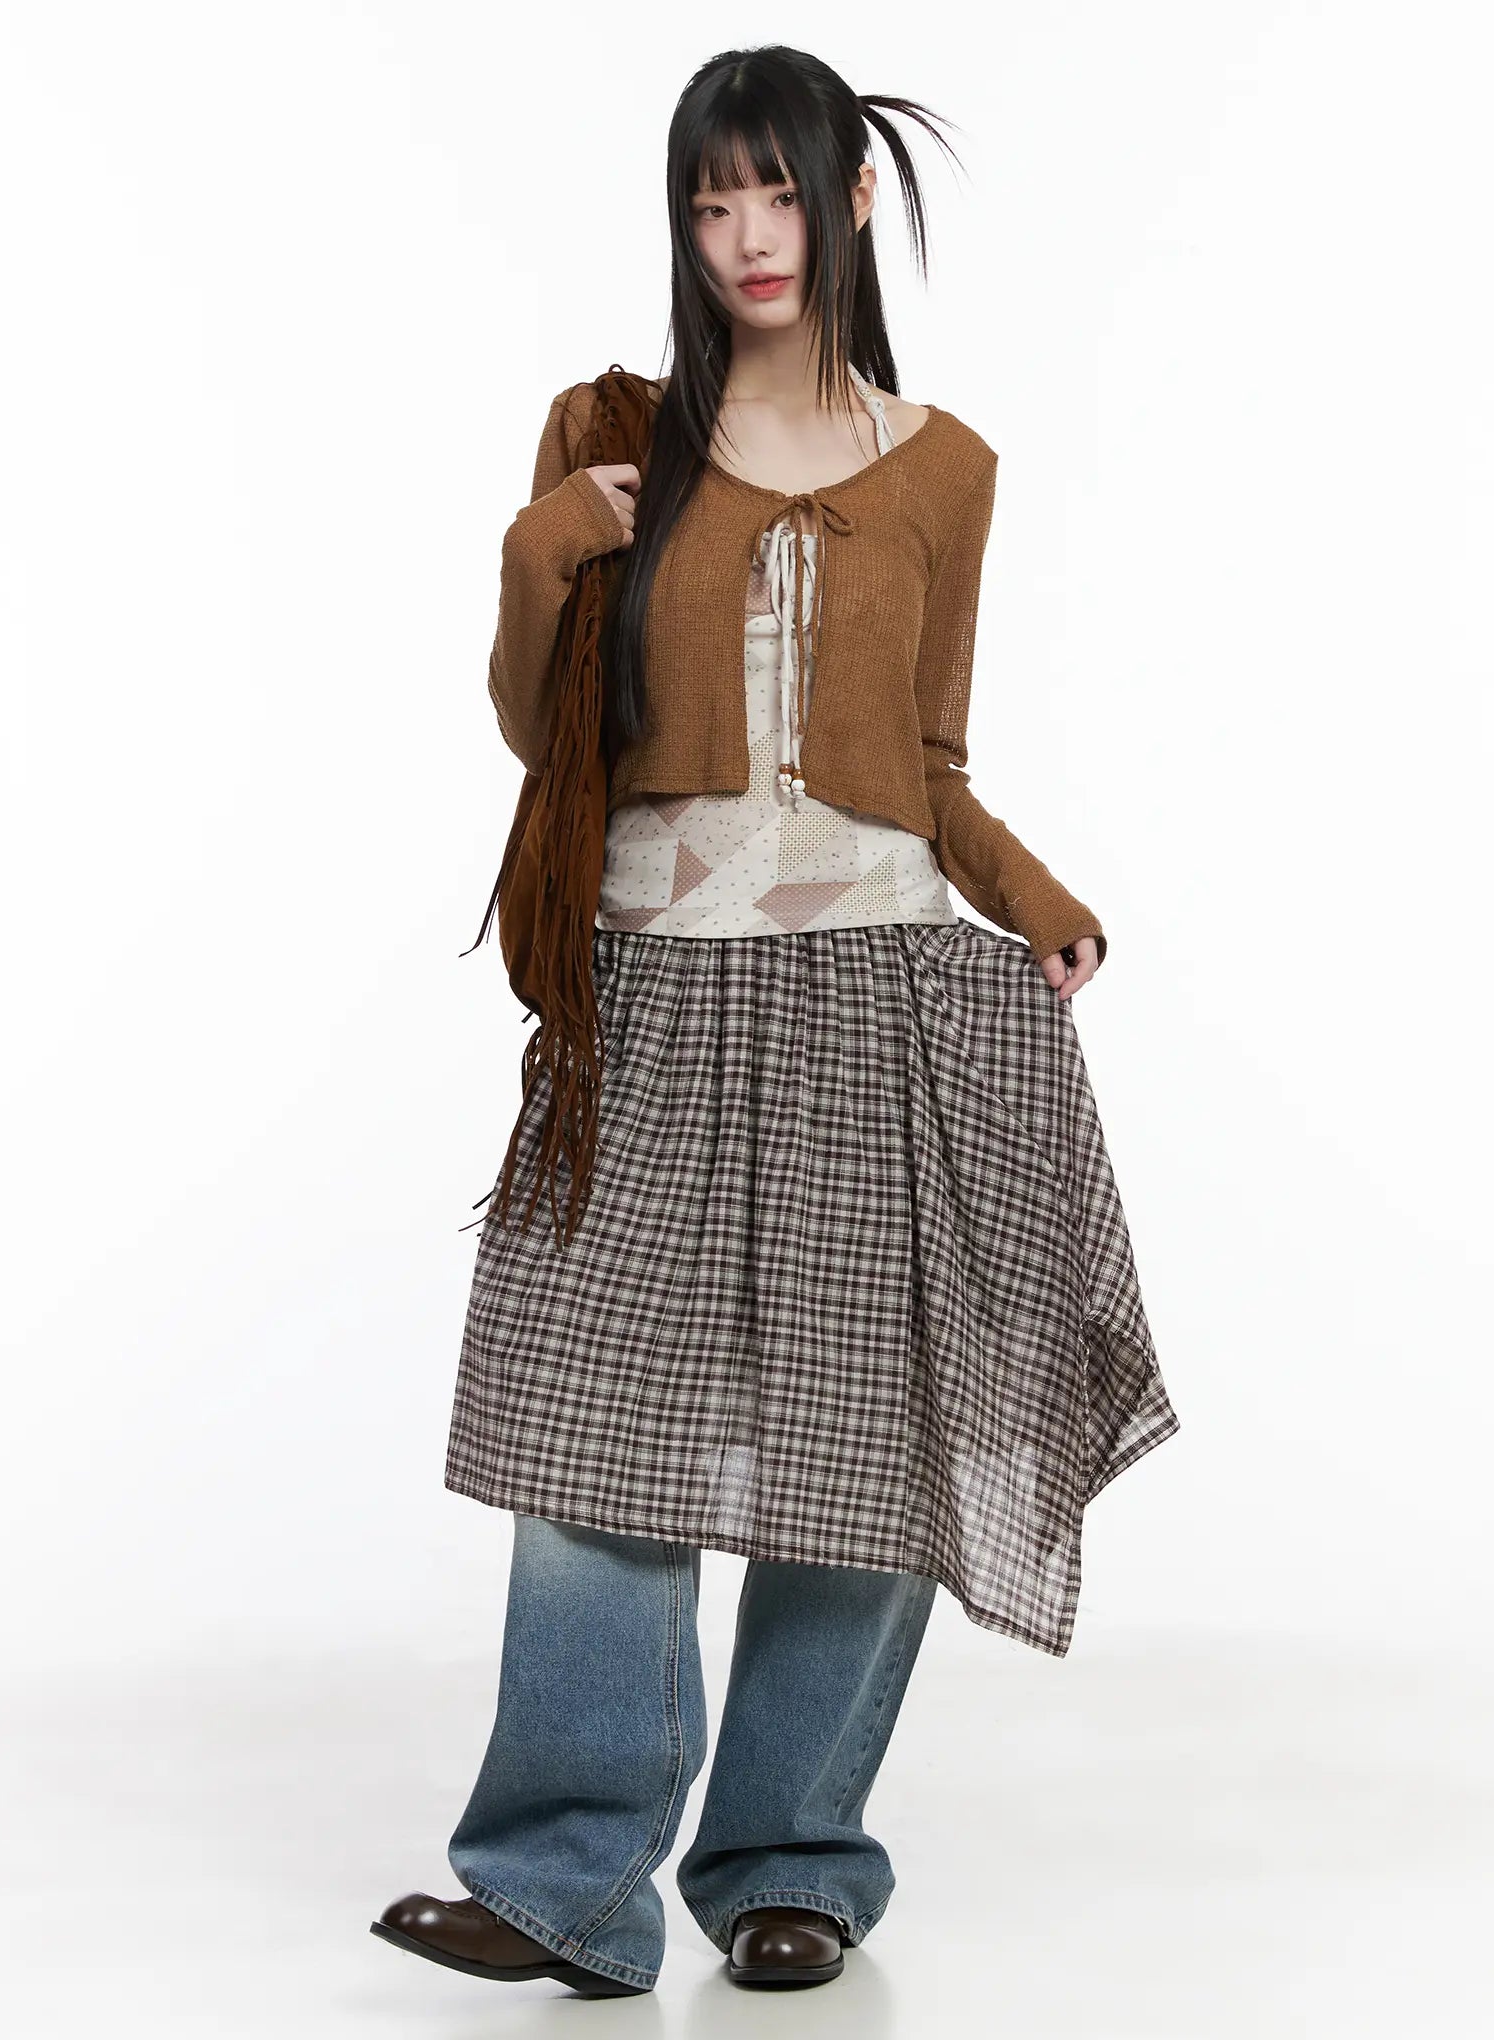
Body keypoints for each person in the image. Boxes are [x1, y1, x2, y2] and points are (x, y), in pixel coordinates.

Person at [372, 42, 1180, 2000]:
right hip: (657, 986)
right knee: (593, 1429)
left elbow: (930, 760)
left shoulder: (947, 467)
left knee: (861, 1437)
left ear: (851, 200)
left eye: (779, 191)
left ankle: (790, 1862)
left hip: (884, 986)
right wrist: (544, 548)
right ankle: (566, 1883)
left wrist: (1039, 898)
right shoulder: (621, 445)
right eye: (710, 198)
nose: (745, 234)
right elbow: (546, 734)